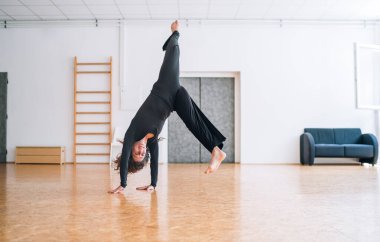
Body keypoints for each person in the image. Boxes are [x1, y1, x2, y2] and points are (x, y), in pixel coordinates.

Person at [108, 20, 226, 194]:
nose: (140, 151)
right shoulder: (152, 141)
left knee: (173, 52)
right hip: (175, 99)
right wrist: (153, 184)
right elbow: (155, 162)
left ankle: (175, 33)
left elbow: (124, 157)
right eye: (142, 154)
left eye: (136, 153)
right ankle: (215, 150)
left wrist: (123, 184)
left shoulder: (132, 132)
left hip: (165, 86)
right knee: (193, 121)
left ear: (131, 148)